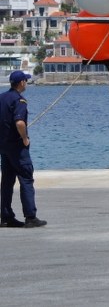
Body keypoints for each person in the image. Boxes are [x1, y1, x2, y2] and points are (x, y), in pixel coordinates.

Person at [0, 71, 46, 228]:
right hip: (17, 148)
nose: (26, 82)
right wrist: (25, 138)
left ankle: (6, 217)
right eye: (25, 80)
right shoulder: (19, 100)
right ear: (21, 83)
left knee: (7, 181)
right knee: (26, 179)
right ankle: (30, 217)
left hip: (4, 146)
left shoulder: (2, 98)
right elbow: (20, 122)